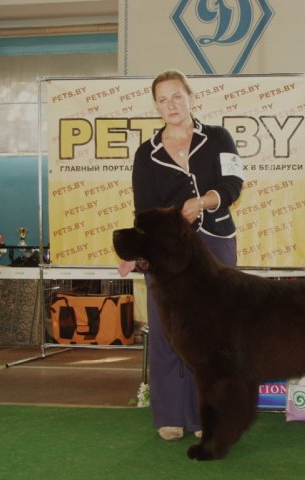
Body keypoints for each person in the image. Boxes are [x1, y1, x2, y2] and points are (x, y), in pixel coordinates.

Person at [118, 69, 243, 441]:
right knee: (167, 330)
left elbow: (233, 185)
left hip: (216, 242)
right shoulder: (147, 153)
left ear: (190, 97)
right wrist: (136, 254)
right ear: (155, 106)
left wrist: (203, 201)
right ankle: (170, 415)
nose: (170, 105)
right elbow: (145, 212)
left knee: (214, 335)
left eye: (177, 96)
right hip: (167, 255)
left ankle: (209, 415)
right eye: (162, 99)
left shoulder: (218, 137)